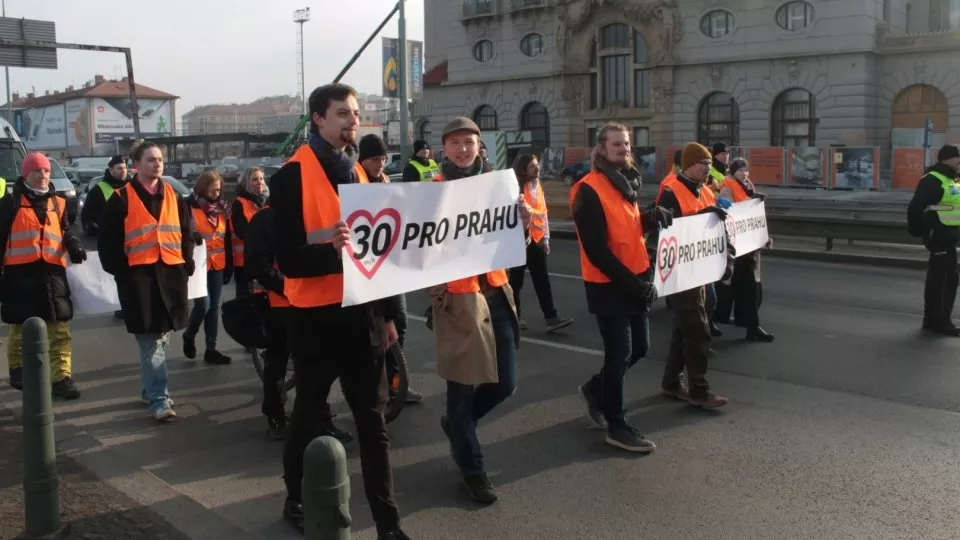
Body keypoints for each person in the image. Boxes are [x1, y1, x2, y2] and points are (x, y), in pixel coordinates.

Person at [270, 83, 409, 540]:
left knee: (373, 425)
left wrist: (389, 316)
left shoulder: (363, 177)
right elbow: (287, 259)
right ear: (318, 119)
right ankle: (295, 497)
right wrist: (333, 253)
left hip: (362, 317)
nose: (353, 120)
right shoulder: (291, 176)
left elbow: (380, 255)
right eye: (343, 113)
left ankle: (388, 524)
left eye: (356, 112)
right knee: (309, 416)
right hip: (314, 319)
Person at [432, 117, 520, 504]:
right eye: (455, 143)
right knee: (462, 387)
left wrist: (522, 217)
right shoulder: (432, 192)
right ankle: (473, 468)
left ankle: (457, 426)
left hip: (497, 290)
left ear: (479, 146)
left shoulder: (499, 186)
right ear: (444, 149)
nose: (462, 149)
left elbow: (518, 233)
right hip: (458, 297)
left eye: (468, 142)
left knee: (505, 383)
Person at [570, 124, 670, 452]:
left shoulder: (624, 183)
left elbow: (625, 227)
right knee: (620, 355)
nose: (624, 149)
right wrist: (635, 284)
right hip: (609, 285)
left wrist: (650, 218)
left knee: (640, 348)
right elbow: (597, 250)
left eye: (627, 143)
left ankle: (595, 389)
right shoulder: (588, 189)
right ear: (601, 148)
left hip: (634, 278)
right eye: (617, 144)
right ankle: (617, 424)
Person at [99, 142, 194, 422]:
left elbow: (186, 232)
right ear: (136, 165)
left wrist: (186, 262)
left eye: (160, 160)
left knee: (162, 336)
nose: (157, 164)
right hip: (139, 278)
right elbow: (108, 242)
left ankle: (148, 388)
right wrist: (121, 272)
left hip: (170, 275)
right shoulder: (120, 199)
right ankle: (159, 399)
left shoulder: (174, 197)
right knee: (150, 339)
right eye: (151, 160)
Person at [1, 152, 86, 398]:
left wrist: (74, 245)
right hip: (20, 275)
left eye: (46, 171)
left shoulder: (58, 203)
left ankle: (62, 379)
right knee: (20, 327)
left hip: (52, 274)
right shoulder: (9, 203)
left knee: (59, 328)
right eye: (37, 171)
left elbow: (65, 232)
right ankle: (18, 370)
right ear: (26, 174)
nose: (43, 175)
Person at [657, 142, 734, 409]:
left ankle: (671, 383)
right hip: (680, 274)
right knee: (698, 331)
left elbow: (716, 229)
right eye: (704, 164)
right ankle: (699, 390)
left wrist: (728, 255)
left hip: (700, 271)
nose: (708, 169)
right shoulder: (671, 193)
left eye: (711, 165)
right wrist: (703, 215)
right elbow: (668, 235)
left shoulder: (705, 192)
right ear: (689, 165)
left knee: (683, 330)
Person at [358, 133, 424, 404]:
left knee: (399, 323)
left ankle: (394, 382)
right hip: (367, 269)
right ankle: (375, 386)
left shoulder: (384, 182)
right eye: (375, 159)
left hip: (389, 265)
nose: (381, 164)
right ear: (363, 159)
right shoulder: (355, 182)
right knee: (373, 332)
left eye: (383, 158)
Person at [712, 158, 775, 342]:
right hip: (736, 248)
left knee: (745, 289)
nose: (744, 173)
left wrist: (763, 237)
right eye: (740, 170)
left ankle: (750, 326)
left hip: (747, 248)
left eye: (746, 170)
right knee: (734, 288)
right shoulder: (728, 187)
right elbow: (728, 213)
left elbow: (753, 218)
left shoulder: (748, 186)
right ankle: (714, 320)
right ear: (733, 171)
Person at [509, 153, 573, 332]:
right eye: (532, 166)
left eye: (537, 165)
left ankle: (551, 318)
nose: (537, 168)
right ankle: (515, 316)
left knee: (542, 281)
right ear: (523, 169)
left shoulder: (538, 186)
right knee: (515, 282)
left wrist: (546, 239)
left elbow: (543, 212)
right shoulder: (515, 188)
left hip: (535, 241)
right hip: (519, 242)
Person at [907, 144, 960, 335]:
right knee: (944, 278)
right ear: (946, 159)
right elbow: (915, 208)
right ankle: (939, 322)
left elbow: (953, 205)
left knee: (944, 277)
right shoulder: (933, 179)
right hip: (938, 235)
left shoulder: (951, 179)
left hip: (949, 236)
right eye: (957, 158)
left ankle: (933, 320)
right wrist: (919, 231)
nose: (959, 161)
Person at [182, 171, 233, 365]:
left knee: (213, 308)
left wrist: (229, 266)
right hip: (197, 266)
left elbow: (225, 239)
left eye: (218, 190)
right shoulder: (188, 205)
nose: (215, 194)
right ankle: (190, 334)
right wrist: (191, 237)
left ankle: (211, 349)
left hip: (217, 264)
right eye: (212, 190)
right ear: (202, 188)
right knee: (203, 305)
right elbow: (180, 232)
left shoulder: (221, 209)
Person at [230, 166, 267, 299]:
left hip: (263, 259)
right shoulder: (239, 203)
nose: (260, 182)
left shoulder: (265, 202)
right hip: (244, 261)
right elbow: (242, 232)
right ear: (246, 182)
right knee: (246, 301)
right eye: (255, 179)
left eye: (261, 179)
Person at [80, 155, 128, 236]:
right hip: (109, 237)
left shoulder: (131, 186)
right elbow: (87, 214)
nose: (123, 171)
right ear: (111, 170)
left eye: (125, 168)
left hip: (131, 236)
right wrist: (103, 225)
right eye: (119, 168)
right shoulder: (98, 189)